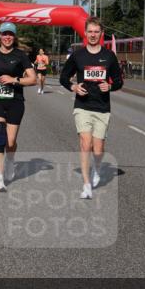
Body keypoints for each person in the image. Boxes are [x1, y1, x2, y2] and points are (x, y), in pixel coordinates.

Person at [59, 17, 123, 199]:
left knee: (98, 148)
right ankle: (86, 184)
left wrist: (110, 86)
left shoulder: (109, 56)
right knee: (85, 144)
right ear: (85, 33)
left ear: (101, 34)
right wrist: (73, 87)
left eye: (97, 32)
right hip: (83, 106)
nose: (93, 35)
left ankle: (97, 167)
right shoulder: (78, 56)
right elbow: (64, 77)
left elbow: (119, 81)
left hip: (102, 107)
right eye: (90, 31)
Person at [0, 23, 36, 191]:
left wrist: (14, 80)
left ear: (14, 37)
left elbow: (33, 79)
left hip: (15, 101)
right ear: (0, 36)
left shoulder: (20, 56)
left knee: (10, 142)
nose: (7, 37)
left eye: (10, 34)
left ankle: (10, 160)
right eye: (4, 34)